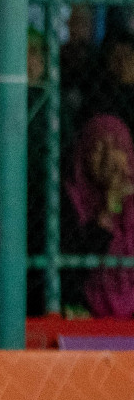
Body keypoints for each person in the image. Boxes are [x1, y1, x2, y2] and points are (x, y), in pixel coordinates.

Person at [64, 115, 134, 319]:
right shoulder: (70, 199)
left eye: (116, 147)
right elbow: (76, 269)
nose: (108, 157)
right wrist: (108, 207)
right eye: (97, 148)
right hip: (86, 310)